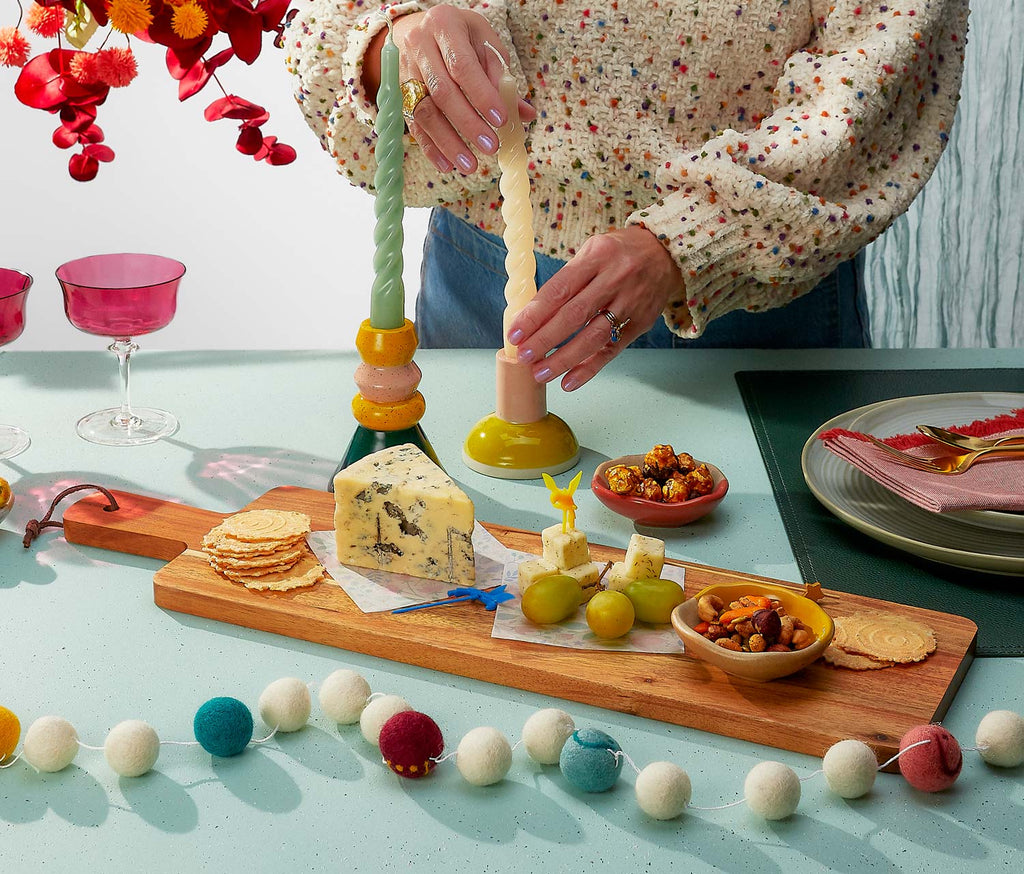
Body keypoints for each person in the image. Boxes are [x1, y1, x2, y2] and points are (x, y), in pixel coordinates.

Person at [284, 1, 969, 391]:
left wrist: (688, 241)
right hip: (476, 291)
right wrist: (393, 57)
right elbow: (338, 23)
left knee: (765, 612)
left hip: (748, 316)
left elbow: (879, 76)